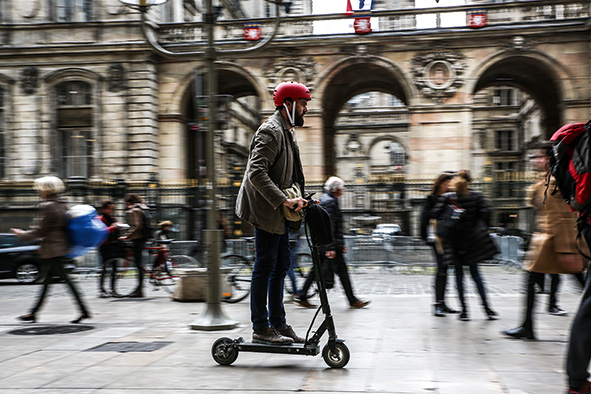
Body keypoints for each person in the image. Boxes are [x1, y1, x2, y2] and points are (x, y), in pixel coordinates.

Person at [235, 81, 311, 344]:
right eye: (302, 104)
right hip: (265, 209)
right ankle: (261, 327)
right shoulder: (271, 131)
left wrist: (303, 197)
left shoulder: (287, 131)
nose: (305, 110)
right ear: (288, 103)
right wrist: (283, 200)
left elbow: (292, 173)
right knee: (265, 266)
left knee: (281, 265)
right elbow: (256, 172)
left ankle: (278, 323)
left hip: (278, 208)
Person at [503, 143, 584, 340]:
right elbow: (537, 202)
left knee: (582, 284)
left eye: (538, 156)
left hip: (555, 243)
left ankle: (527, 327)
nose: (534, 161)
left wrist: (567, 250)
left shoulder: (556, 181)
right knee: (531, 282)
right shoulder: (547, 180)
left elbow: (565, 218)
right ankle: (527, 327)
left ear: (549, 158)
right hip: (545, 243)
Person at [12, 176, 91, 324]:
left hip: (53, 249)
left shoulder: (47, 206)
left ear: (45, 190)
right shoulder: (61, 204)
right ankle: (34, 313)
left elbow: (41, 231)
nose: (37, 192)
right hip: (60, 247)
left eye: (39, 189)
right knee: (48, 283)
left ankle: (83, 310)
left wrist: (22, 234)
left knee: (65, 282)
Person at [431, 170, 498, 321]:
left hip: (454, 242)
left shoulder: (449, 197)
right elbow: (486, 214)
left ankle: (464, 311)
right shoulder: (477, 196)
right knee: (476, 276)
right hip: (472, 242)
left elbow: (434, 213)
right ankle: (487, 309)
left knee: (459, 277)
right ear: (470, 182)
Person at [296, 176, 370, 309]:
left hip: (327, 244)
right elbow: (329, 226)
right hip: (329, 245)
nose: (343, 191)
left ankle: (302, 295)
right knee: (342, 272)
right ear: (336, 189)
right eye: (342, 188)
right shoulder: (330, 202)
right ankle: (352, 300)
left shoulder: (326, 199)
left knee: (316, 270)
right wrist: (331, 247)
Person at [420, 172, 459, 317]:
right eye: (446, 184)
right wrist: (424, 237)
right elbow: (424, 218)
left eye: (450, 184)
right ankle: (437, 304)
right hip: (436, 239)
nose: (449, 186)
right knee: (441, 269)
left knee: (445, 269)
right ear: (440, 184)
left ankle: (442, 302)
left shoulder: (451, 198)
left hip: (449, 238)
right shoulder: (432, 198)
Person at [119, 193, 149, 298]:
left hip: (137, 239)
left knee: (139, 265)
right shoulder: (142, 207)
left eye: (126, 204)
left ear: (129, 202)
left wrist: (127, 236)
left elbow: (137, 225)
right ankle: (139, 289)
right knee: (139, 264)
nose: (126, 206)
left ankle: (139, 290)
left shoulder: (135, 210)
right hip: (142, 238)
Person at [98, 200, 122, 298]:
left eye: (113, 208)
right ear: (105, 208)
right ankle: (102, 290)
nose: (112, 210)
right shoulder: (100, 219)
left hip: (114, 246)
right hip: (105, 246)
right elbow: (101, 232)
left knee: (115, 269)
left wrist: (119, 227)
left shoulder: (113, 218)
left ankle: (113, 289)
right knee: (104, 269)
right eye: (110, 208)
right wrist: (112, 227)